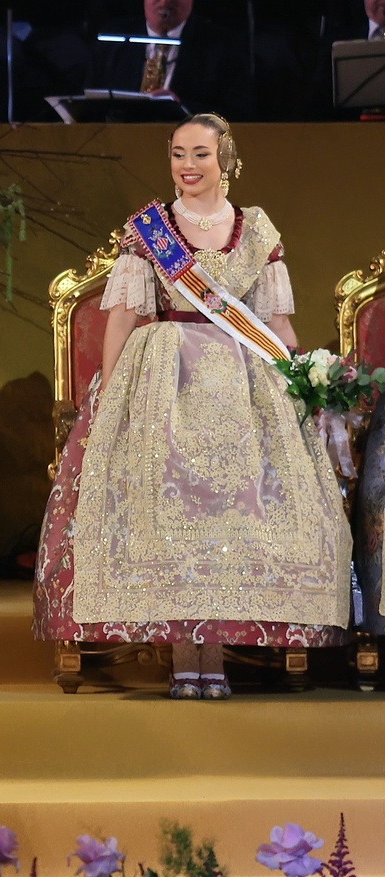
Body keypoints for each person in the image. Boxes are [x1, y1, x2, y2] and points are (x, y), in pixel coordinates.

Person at [33, 114, 350, 699]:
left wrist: (303, 379)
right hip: (164, 379)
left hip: (244, 384)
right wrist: (110, 396)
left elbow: (277, 325)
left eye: (200, 153)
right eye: (178, 153)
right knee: (170, 517)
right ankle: (184, 657)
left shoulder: (257, 231)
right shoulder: (150, 232)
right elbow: (122, 318)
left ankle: (218, 659)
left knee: (235, 519)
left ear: (225, 159)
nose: (187, 165)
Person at [94, 0, 253, 120]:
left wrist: (181, 107)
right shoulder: (113, 40)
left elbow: (239, 114)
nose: (165, 3)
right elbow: (91, 102)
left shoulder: (223, 46)